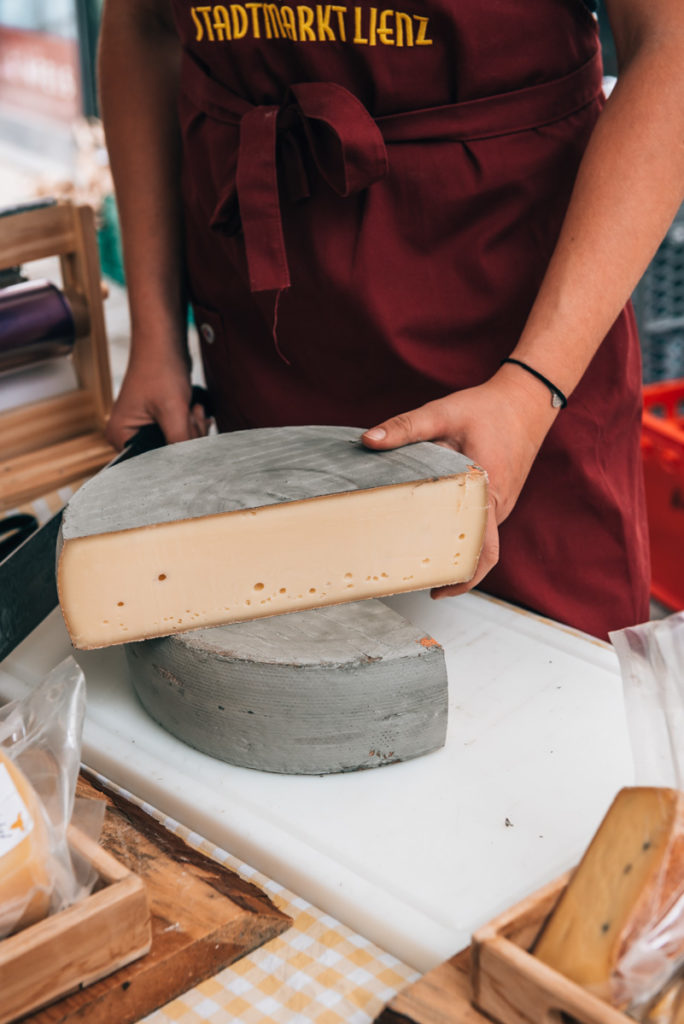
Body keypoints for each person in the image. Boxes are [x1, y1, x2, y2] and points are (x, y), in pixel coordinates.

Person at [98, 0, 684, 640]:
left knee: (546, 690)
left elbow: (672, 41)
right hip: (269, 329)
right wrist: (156, 336)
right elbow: (140, 23)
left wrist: (530, 384)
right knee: (275, 672)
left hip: (516, 350)